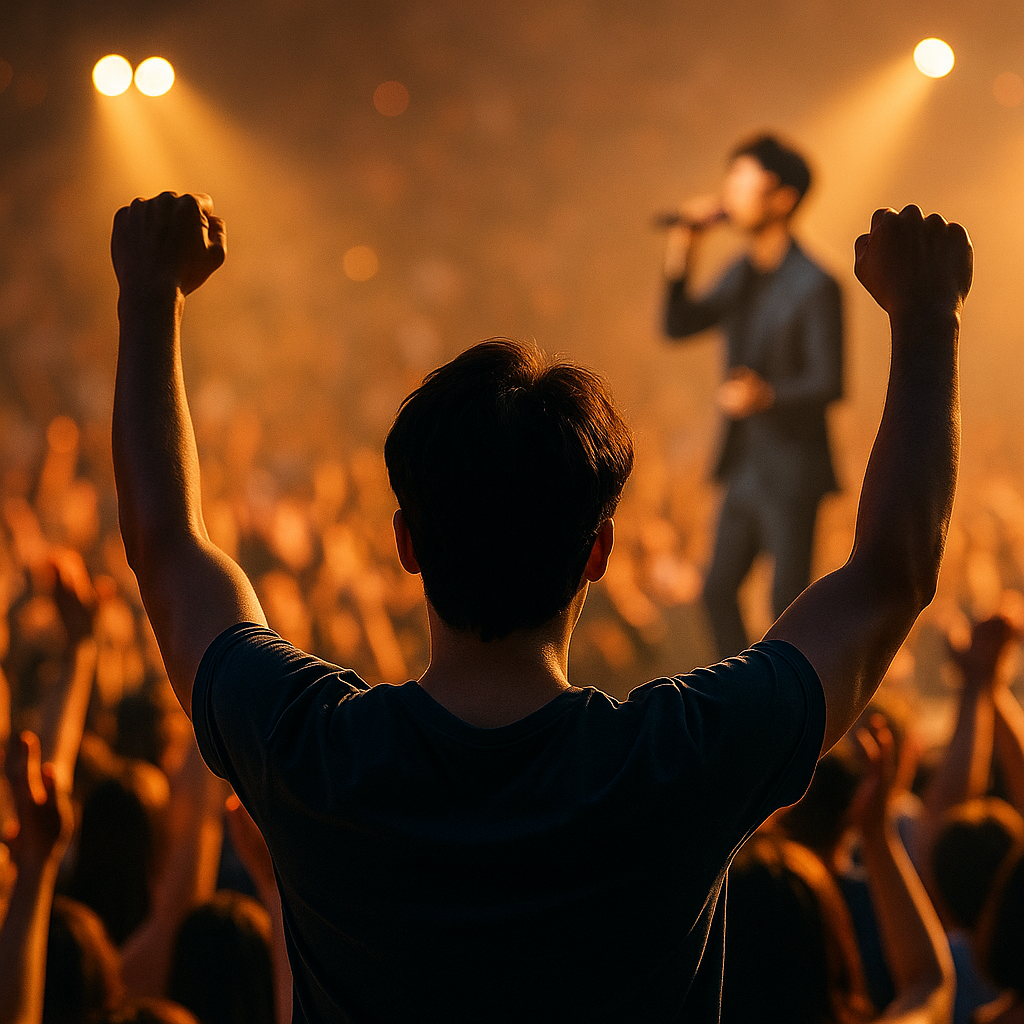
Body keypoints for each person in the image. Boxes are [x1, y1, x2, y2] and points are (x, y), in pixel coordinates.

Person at [110, 191, 971, 1022]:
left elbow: (165, 547)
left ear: (407, 544)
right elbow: (890, 577)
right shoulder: (677, 763)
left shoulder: (312, 750)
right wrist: (927, 320)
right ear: (597, 553)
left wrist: (151, 300)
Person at [662, 134, 843, 658]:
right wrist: (684, 248)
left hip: (791, 470)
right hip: (743, 466)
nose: (731, 192)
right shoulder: (740, 274)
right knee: (717, 591)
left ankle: (790, 712)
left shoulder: (815, 283)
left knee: (787, 604)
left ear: (782, 197)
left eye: (744, 180)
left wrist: (766, 396)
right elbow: (678, 325)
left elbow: (828, 380)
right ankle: (743, 696)